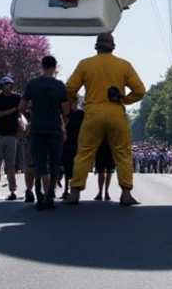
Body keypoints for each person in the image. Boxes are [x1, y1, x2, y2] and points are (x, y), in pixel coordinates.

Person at [64, 32, 145, 206]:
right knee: (122, 153)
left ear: (96, 46)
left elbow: (70, 87)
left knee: (85, 152)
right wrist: (124, 99)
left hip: (92, 112)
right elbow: (140, 90)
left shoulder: (85, 64)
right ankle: (125, 193)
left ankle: (75, 192)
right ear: (113, 47)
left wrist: (75, 99)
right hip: (116, 112)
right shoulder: (123, 65)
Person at [20, 55, 69, 210]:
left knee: (39, 162)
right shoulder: (59, 86)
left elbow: (21, 107)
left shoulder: (32, 84)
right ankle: (50, 195)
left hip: (37, 128)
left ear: (41, 66)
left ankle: (39, 194)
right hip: (54, 128)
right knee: (54, 163)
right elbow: (66, 110)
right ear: (54, 67)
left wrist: (32, 110)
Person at [0, 78, 22, 201]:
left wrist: (22, 125)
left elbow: (22, 113)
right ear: (1, 86)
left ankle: (12, 190)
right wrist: (10, 111)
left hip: (12, 135)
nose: (10, 86)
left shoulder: (17, 98)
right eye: (7, 84)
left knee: (10, 165)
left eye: (11, 84)